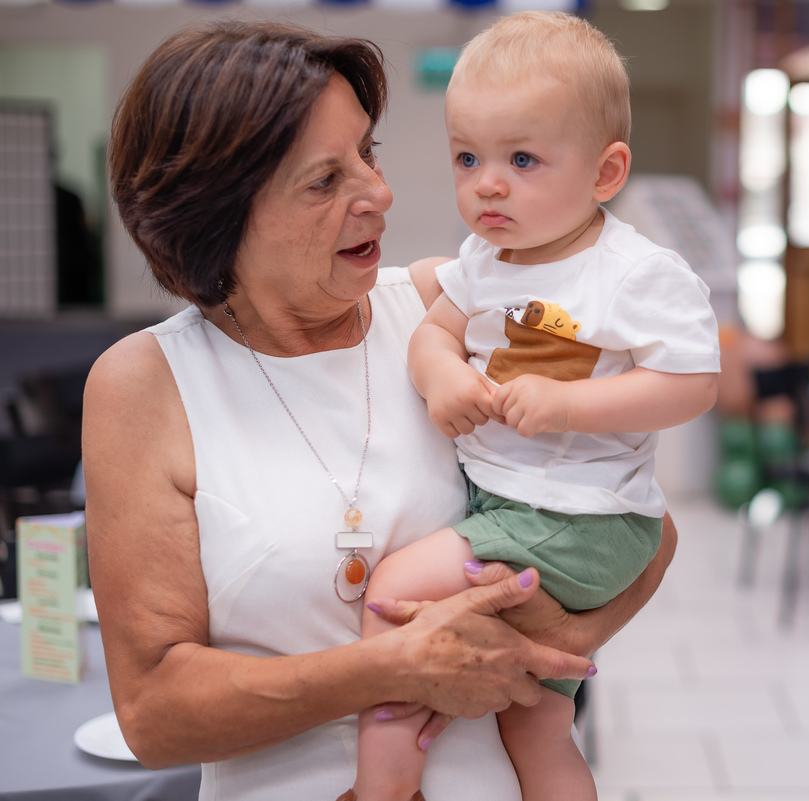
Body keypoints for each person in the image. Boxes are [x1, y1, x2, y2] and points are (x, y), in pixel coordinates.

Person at [83, 20, 677, 801]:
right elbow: (154, 710)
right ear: (219, 216)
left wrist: (560, 645)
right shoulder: (145, 384)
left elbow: (645, 528)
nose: (378, 194)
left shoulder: (446, 311)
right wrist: (395, 667)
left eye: (369, 153)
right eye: (324, 181)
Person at [354, 13, 720, 801]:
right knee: (537, 724)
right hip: (520, 504)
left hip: (579, 516)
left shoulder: (633, 273)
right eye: (467, 156)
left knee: (391, 593)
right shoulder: (487, 259)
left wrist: (571, 404)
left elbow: (693, 384)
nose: (487, 182)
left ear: (606, 171)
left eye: (522, 159)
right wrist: (439, 373)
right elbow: (432, 334)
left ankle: (381, 787)